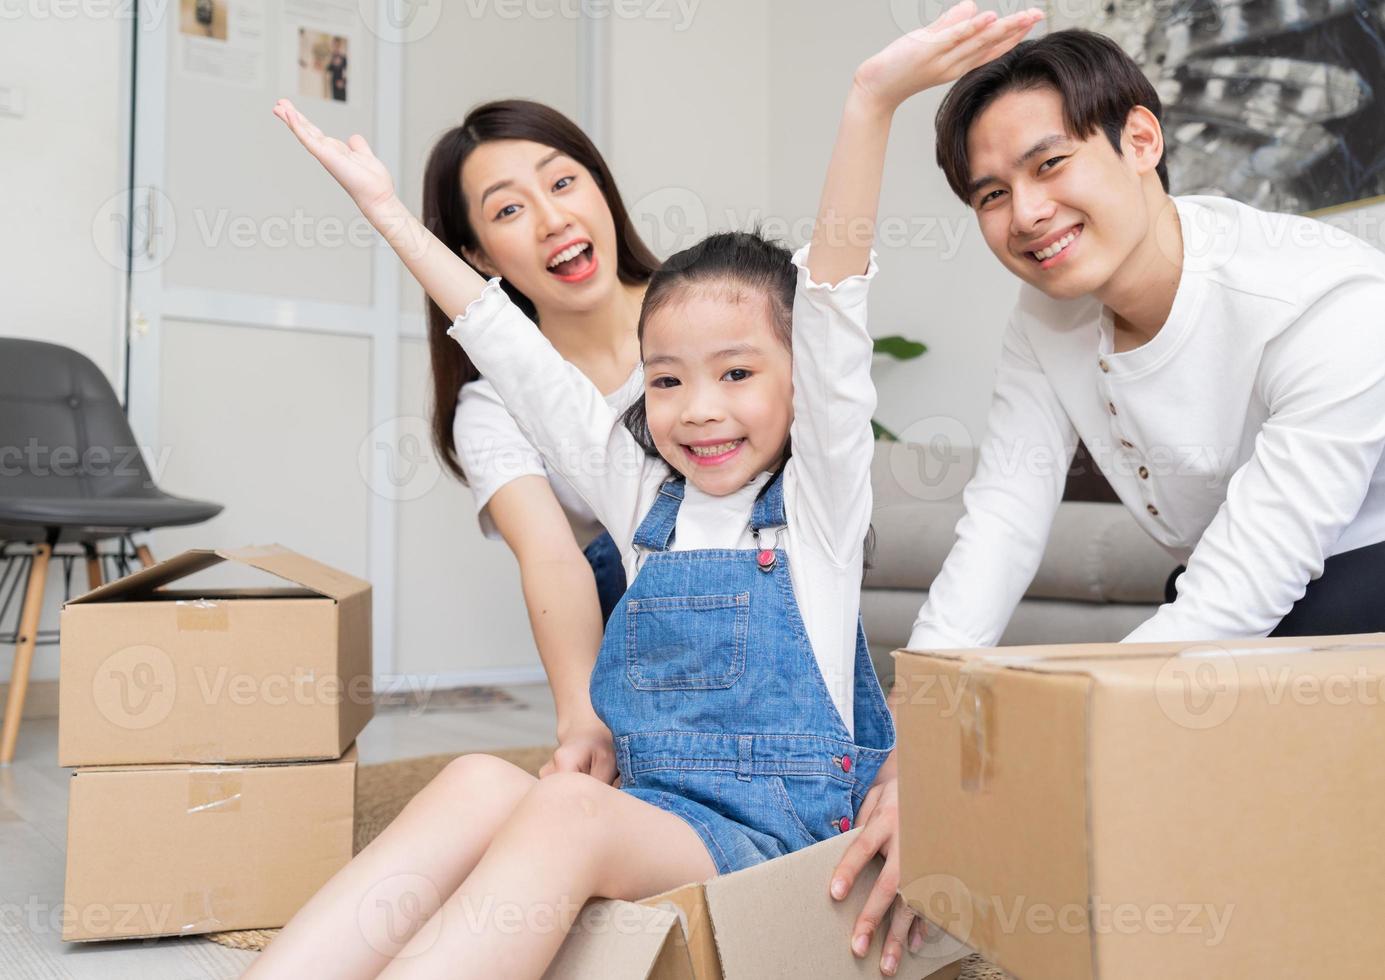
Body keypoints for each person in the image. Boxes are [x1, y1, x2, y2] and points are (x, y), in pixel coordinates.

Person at [256, 5, 1040, 977]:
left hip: (780, 839)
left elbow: (834, 295)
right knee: (472, 778)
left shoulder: (820, 501)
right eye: (665, 379)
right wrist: (384, 210)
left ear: (802, 385)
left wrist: (868, 101)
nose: (698, 408)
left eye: (737, 374)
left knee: (566, 807)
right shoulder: (638, 496)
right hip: (652, 806)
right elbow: (505, 345)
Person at [909, 28, 1385, 653]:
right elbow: (1003, 518)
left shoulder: (1323, 296)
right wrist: (924, 692)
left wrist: (1101, 702)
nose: (1025, 215)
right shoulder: (1044, 316)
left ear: (1140, 140)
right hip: (1225, 584)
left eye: (1049, 164)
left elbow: (1255, 573)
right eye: (993, 194)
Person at [423, 99, 659, 785]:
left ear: (599, 188)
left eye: (561, 183)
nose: (554, 220)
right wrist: (581, 719)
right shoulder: (489, 405)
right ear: (473, 256)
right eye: (507, 210)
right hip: (637, 630)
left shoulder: (708, 304)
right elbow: (554, 560)